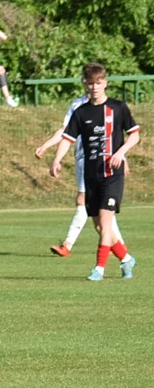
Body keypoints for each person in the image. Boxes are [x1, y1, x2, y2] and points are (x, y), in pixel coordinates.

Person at [50, 63, 140, 281]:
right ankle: (126, 258)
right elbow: (68, 138)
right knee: (99, 226)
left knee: (106, 220)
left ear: (105, 83)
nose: (94, 87)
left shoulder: (118, 107)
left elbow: (135, 135)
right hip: (91, 174)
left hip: (112, 174)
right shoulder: (81, 112)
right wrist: (56, 159)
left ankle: (99, 269)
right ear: (85, 84)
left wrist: (121, 153)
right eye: (91, 84)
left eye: (98, 83)